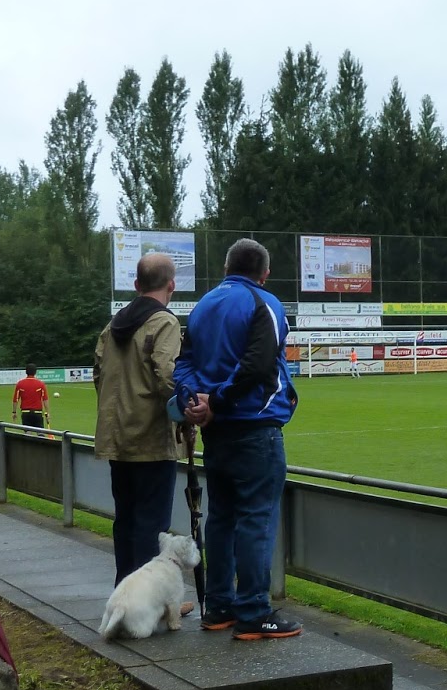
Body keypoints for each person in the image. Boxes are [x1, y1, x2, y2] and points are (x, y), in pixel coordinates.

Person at [176, 239, 303, 640]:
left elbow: (183, 363)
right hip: (254, 427)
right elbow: (259, 365)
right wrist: (218, 401)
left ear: (225, 267)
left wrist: (194, 402)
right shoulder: (264, 301)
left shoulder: (203, 305)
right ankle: (253, 611)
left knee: (222, 517)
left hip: (217, 432)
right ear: (264, 273)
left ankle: (218, 606)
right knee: (255, 519)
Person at [96, 253, 186, 587]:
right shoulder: (165, 322)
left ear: (136, 285)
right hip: (151, 439)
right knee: (152, 525)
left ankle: (125, 592)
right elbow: (168, 376)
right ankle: (146, 600)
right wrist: (188, 410)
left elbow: (98, 375)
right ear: (172, 285)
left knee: (127, 521)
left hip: (116, 439)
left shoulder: (112, 325)